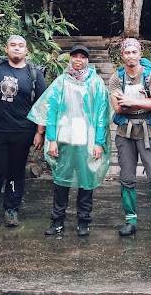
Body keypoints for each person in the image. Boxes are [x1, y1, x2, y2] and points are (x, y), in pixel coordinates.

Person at [0, 10, 47, 230]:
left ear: (26, 50)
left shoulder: (34, 73)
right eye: (12, 45)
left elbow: (44, 104)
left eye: (20, 46)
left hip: (23, 131)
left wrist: (39, 132)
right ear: (6, 49)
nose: (16, 48)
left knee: (15, 172)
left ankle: (12, 211)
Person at [28, 44, 114, 237]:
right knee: (61, 181)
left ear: (87, 61)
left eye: (82, 57)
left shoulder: (96, 83)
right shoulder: (61, 82)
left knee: (87, 181)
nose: (78, 60)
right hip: (64, 139)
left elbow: (101, 115)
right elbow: (51, 112)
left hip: (87, 141)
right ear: (70, 59)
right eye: (74, 56)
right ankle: (57, 221)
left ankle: (84, 222)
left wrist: (99, 142)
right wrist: (51, 139)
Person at [109, 38, 151, 239]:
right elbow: (118, 108)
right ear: (122, 56)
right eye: (127, 53)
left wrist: (131, 102)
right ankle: (130, 220)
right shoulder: (115, 78)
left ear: (140, 54)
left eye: (134, 52)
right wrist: (144, 102)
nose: (131, 56)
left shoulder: (150, 76)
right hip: (124, 132)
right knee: (127, 178)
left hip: (148, 132)